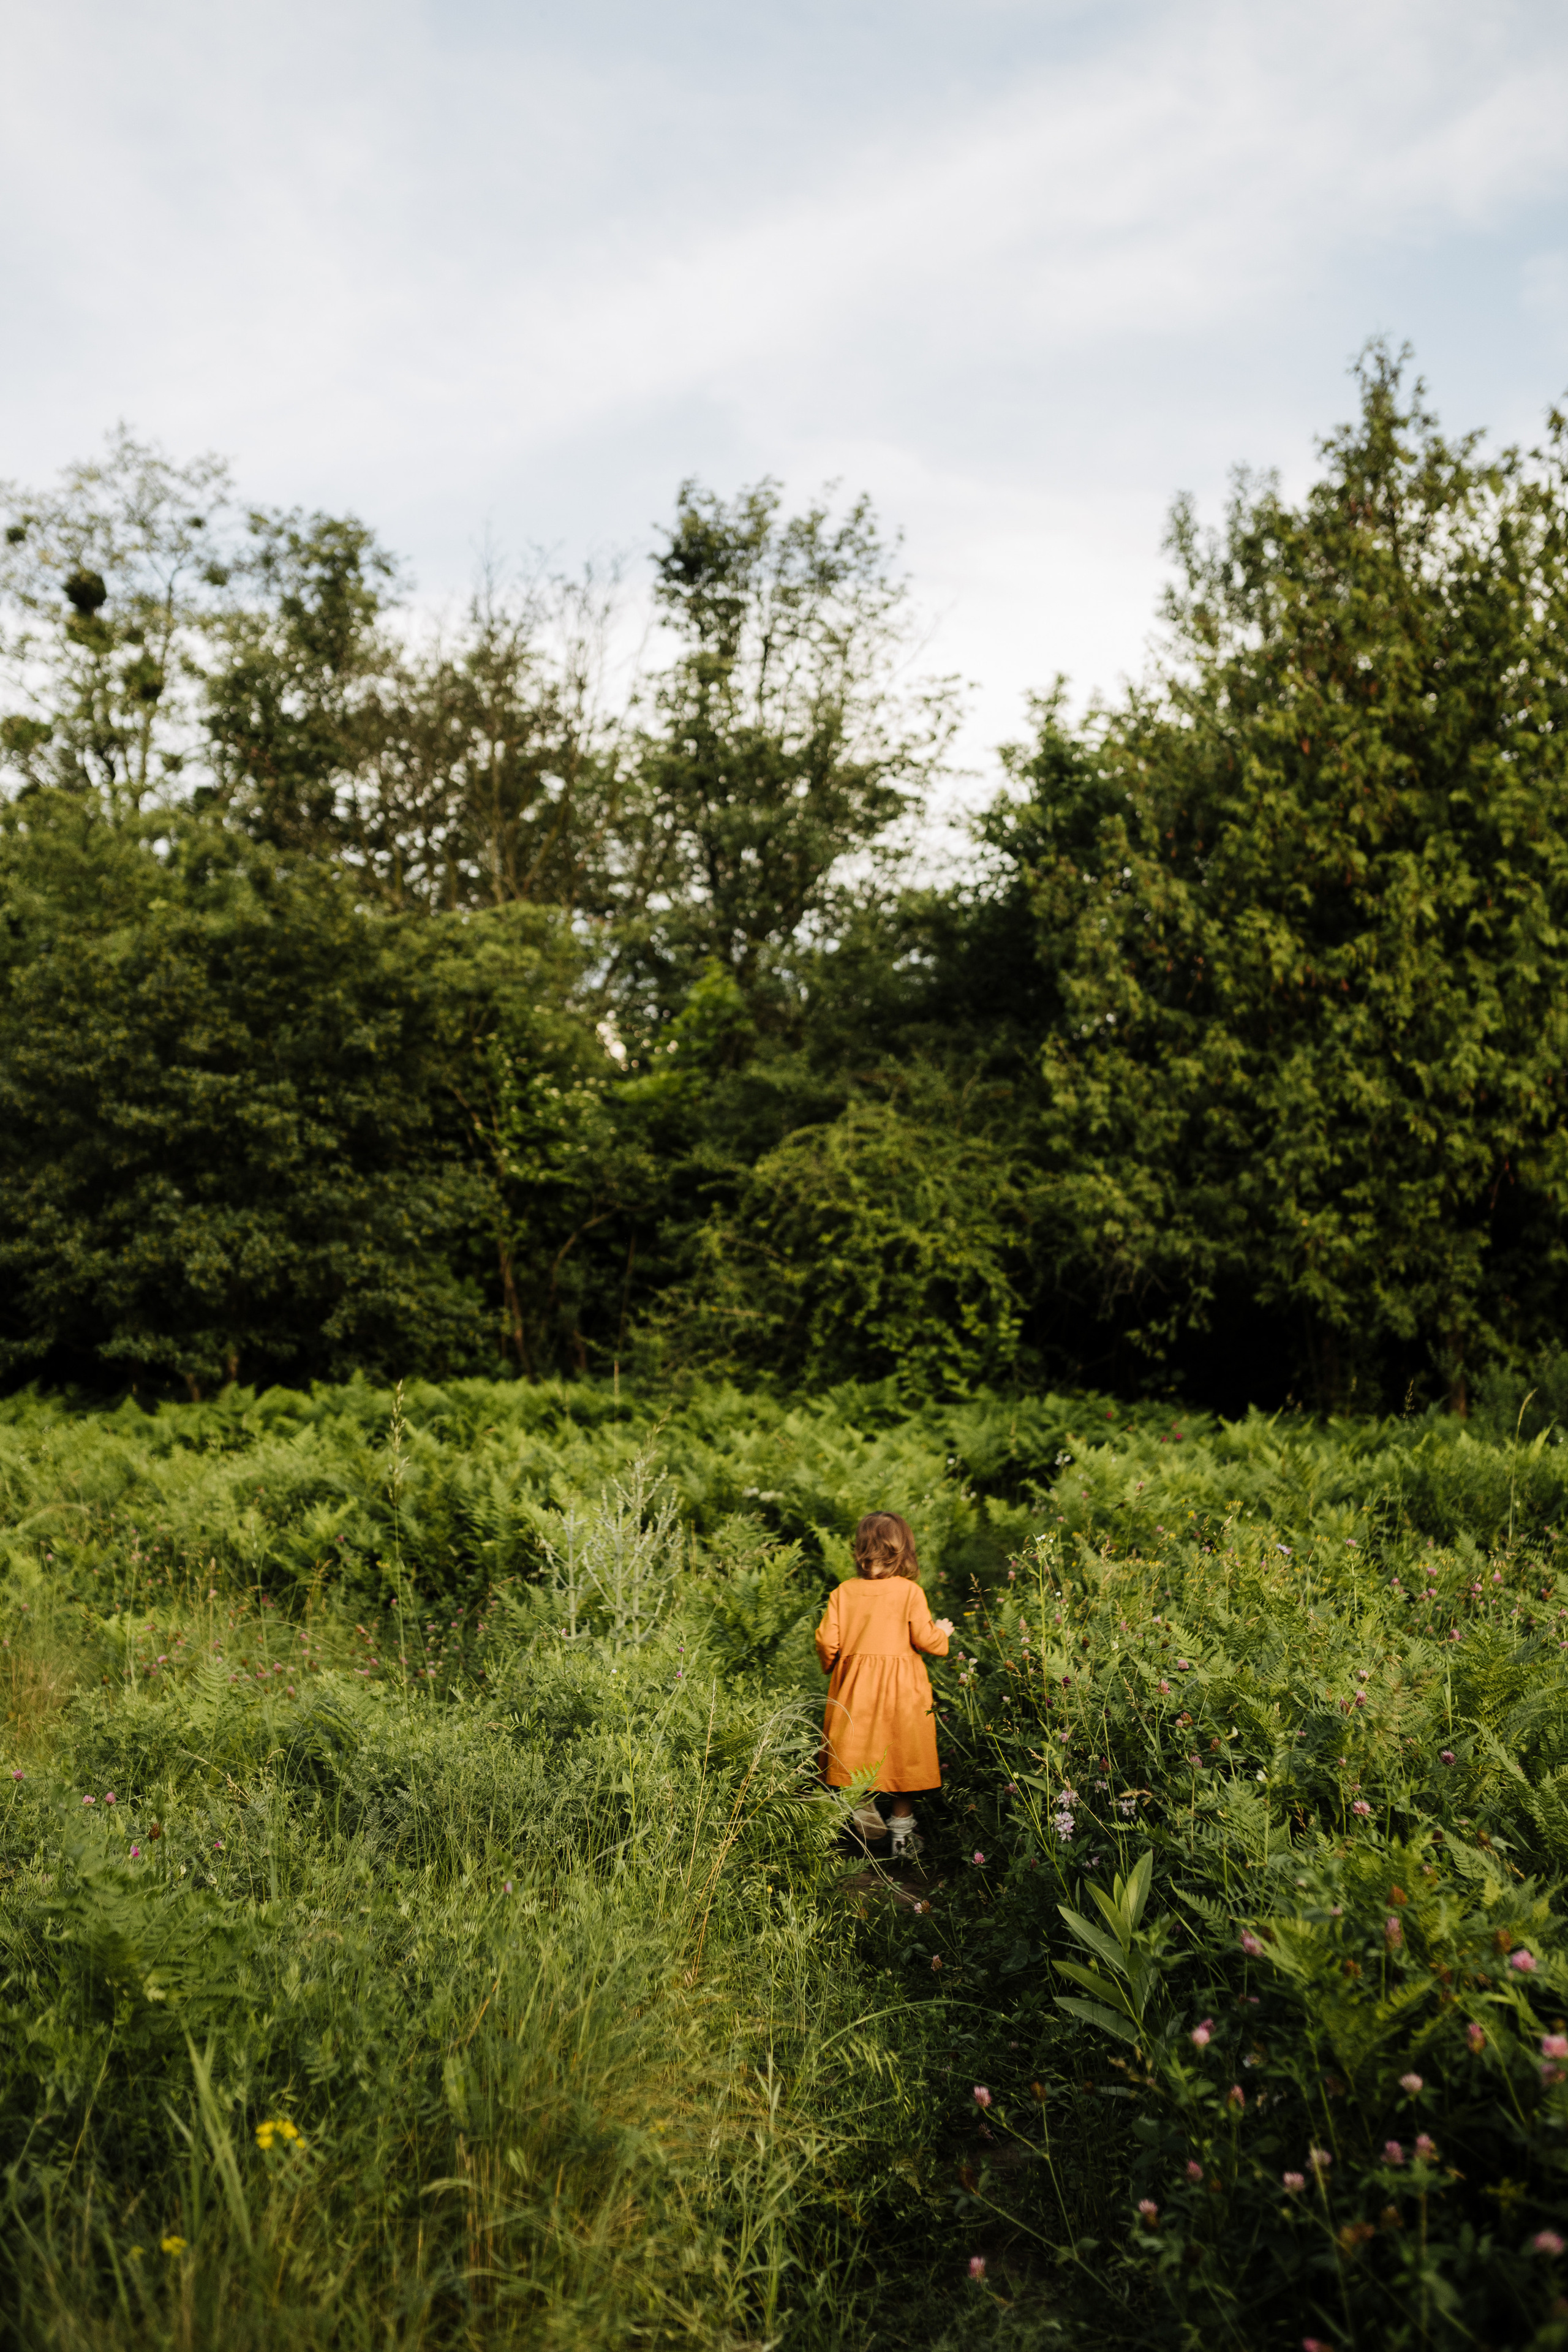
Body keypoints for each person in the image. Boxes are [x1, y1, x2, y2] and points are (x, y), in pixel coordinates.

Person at [815, 1510, 954, 1858]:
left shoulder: (843, 1593)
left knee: (856, 1747)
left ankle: (862, 1804)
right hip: (902, 1689)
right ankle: (902, 1838)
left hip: (856, 1686)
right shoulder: (910, 1592)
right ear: (902, 1550)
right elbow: (926, 1639)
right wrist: (943, 1634)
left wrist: (834, 1665)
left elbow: (827, 1642)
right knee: (902, 1754)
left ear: (860, 1549)